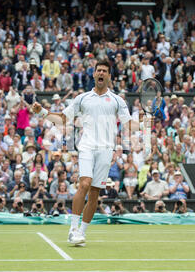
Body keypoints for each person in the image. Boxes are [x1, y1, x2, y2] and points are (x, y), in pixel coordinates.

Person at [33, 60, 137, 246]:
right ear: (94, 74)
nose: (101, 73)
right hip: (87, 146)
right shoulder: (82, 98)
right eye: (99, 70)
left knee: (95, 193)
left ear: (109, 76)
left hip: (106, 150)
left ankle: (81, 232)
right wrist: (43, 112)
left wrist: (146, 122)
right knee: (84, 184)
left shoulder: (117, 101)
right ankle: (73, 229)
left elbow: (128, 124)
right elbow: (63, 119)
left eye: (105, 71)